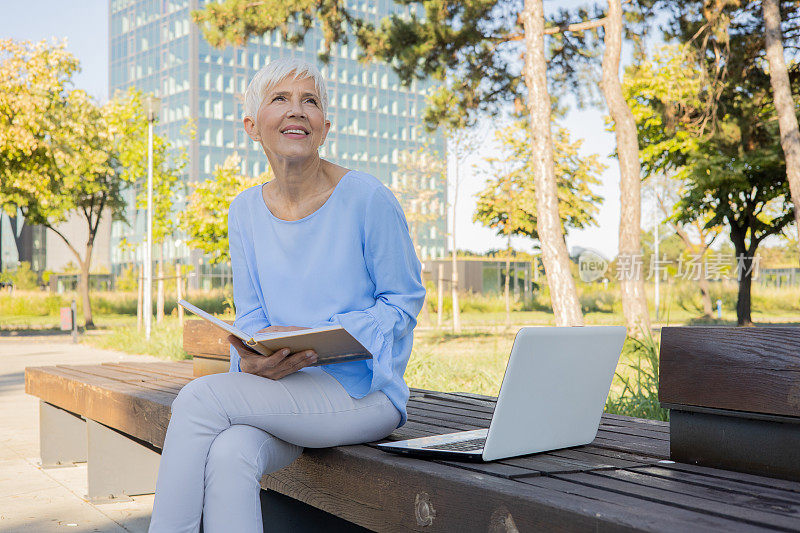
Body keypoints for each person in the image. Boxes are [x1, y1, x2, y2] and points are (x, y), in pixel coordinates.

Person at [148, 57, 426, 532]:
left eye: (310, 101)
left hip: (365, 393)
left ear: (324, 127)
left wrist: (328, 335)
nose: (297, 111)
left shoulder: (368, 198)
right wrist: (253, 359)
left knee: (198, 400)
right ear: (252, 126)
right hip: (284, 389)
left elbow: (402, 303)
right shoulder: (244, 211)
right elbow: (253, 313)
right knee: (231, 451)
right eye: (281, 99)